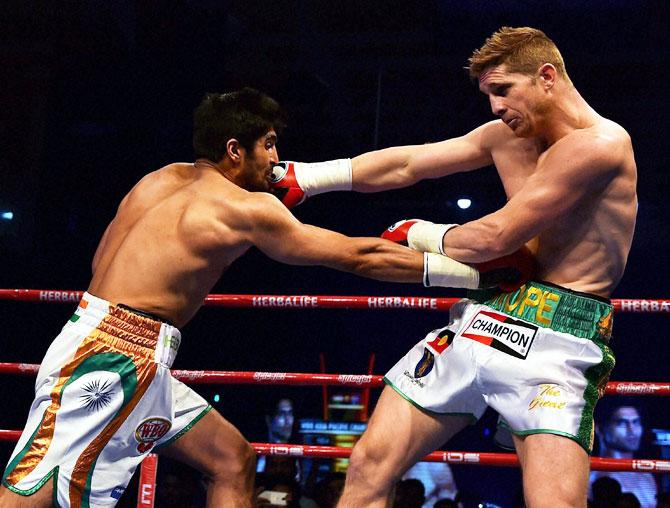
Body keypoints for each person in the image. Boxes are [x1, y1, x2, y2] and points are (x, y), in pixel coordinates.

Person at [0, 88, 529, 508]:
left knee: (231, 458)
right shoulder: (247, 208)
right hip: (115, 358)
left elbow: (101, 264)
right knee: (32, 487)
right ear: (236, 150)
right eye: (269, 144)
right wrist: (473, 277)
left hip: (111, 339)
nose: (277, 158)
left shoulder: (156, 180)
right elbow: (357, 256)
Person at [270, 26, 638, 507]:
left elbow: (496, 237)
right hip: (487, 314)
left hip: (559, 337)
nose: (495, 107)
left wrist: (420, 234)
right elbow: (410, 164)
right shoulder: (504, 136)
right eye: (489, 94)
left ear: (546, 77)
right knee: (366, 467)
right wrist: (312, 177)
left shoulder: (602, 145)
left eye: (503, 90)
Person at [589, 403, 658, 508]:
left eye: (636, 422)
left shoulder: (647, 477)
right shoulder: (588, 477)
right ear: (599, 428)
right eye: (621, 422)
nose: (632, 430)